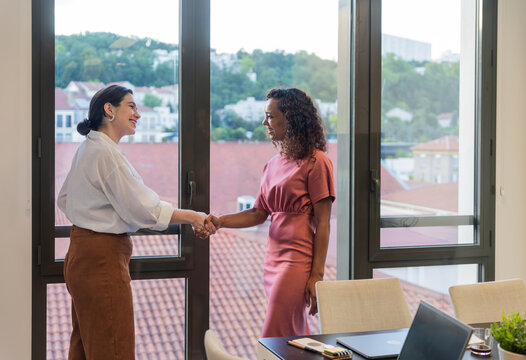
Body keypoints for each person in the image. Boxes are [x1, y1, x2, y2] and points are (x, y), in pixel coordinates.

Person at [58, 85, 214, 360]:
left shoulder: (89, 147)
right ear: (109, 109)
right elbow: (144, 209)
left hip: (80, 254)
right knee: (112, 347)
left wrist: (107, 213)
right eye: (131, 106)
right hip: (101, 258)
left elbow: (65, 198)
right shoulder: (106, 154)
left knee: (87, 344)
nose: (137, 114)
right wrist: (193, 216)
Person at [203, 87, 335, 337]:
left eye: (271, 116)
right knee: (290, 333)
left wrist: (316, 275)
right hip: (273, 259)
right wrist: (219, 221)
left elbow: (324, 223)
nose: (265, 122)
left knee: (276, 331)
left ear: (291, 118)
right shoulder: (273, 163)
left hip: (297, 260)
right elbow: (258, 213)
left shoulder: (317, 162)